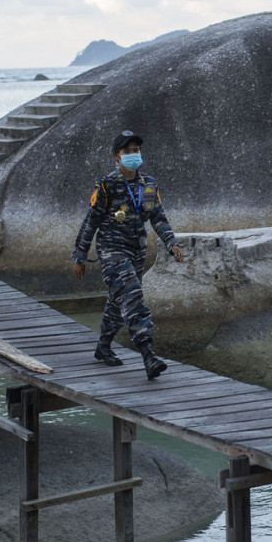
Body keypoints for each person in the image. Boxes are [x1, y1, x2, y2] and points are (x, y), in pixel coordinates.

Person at [72, 130, 185, 379]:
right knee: (133, 298)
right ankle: (148, 355)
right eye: (127, 151)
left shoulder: (148, 184)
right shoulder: (107, 185)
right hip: (112, 250)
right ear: (116, 156)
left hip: (137, 251)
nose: (133, 155)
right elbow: (91, 221)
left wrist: (171, 243)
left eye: (136, 150)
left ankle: (103, 347)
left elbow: (158, 217)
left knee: (118, 299)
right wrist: (80, 255)